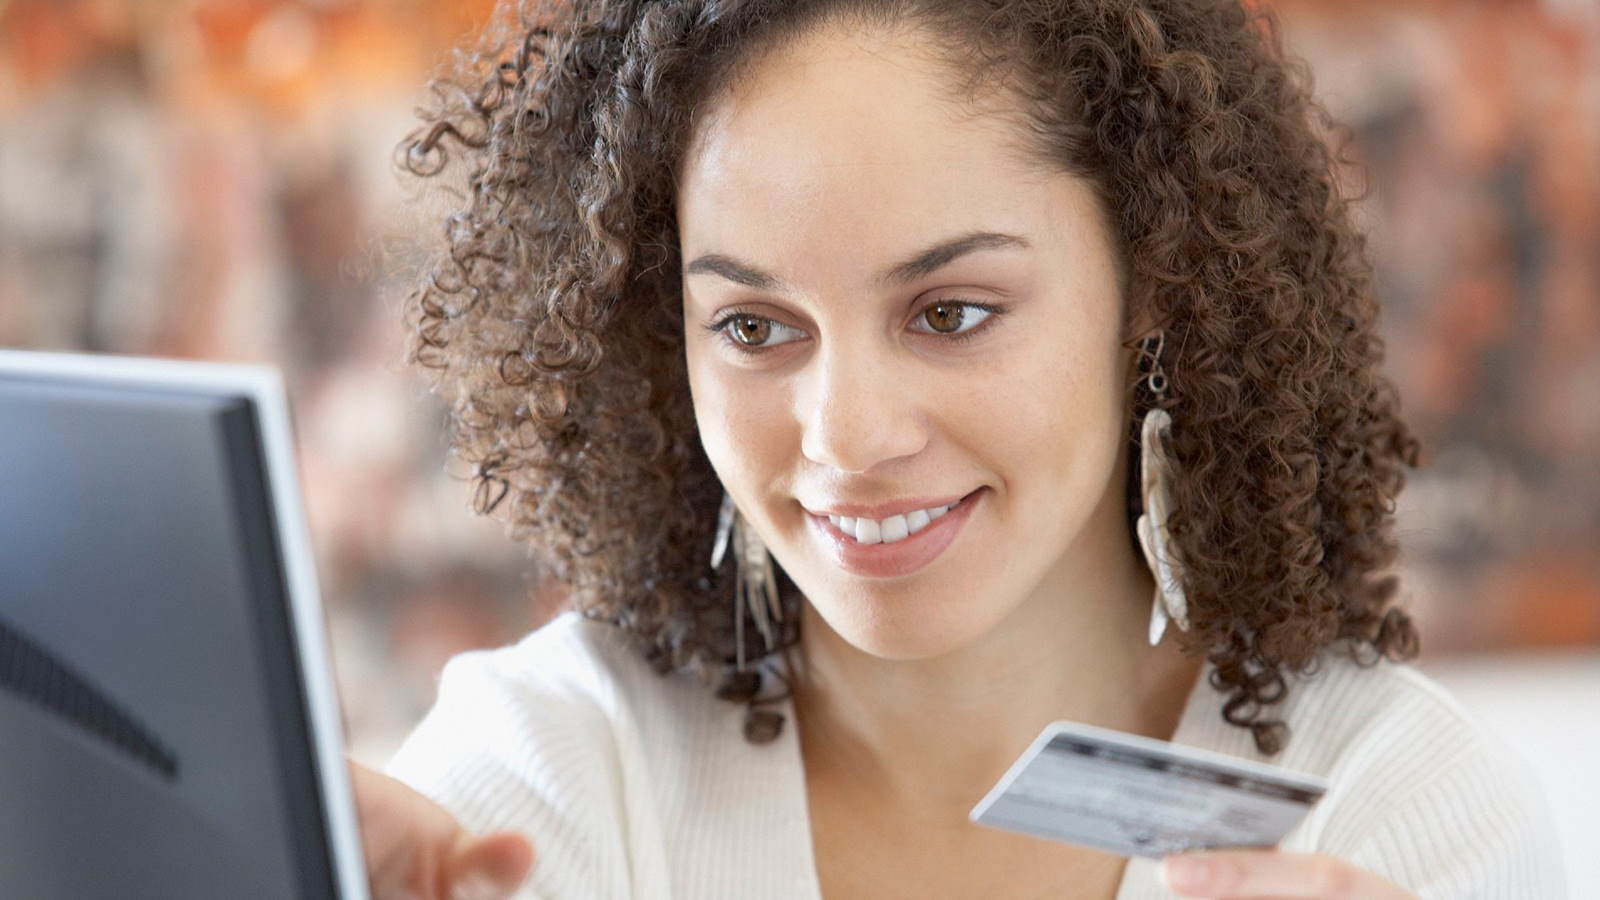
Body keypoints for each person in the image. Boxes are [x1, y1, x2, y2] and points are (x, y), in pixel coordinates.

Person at [351, 1, 1567, 897]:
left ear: (1153, 283)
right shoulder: (551, 770)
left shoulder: (1399, 814)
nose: (846, 435)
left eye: (951, 314)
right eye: (754, 327)